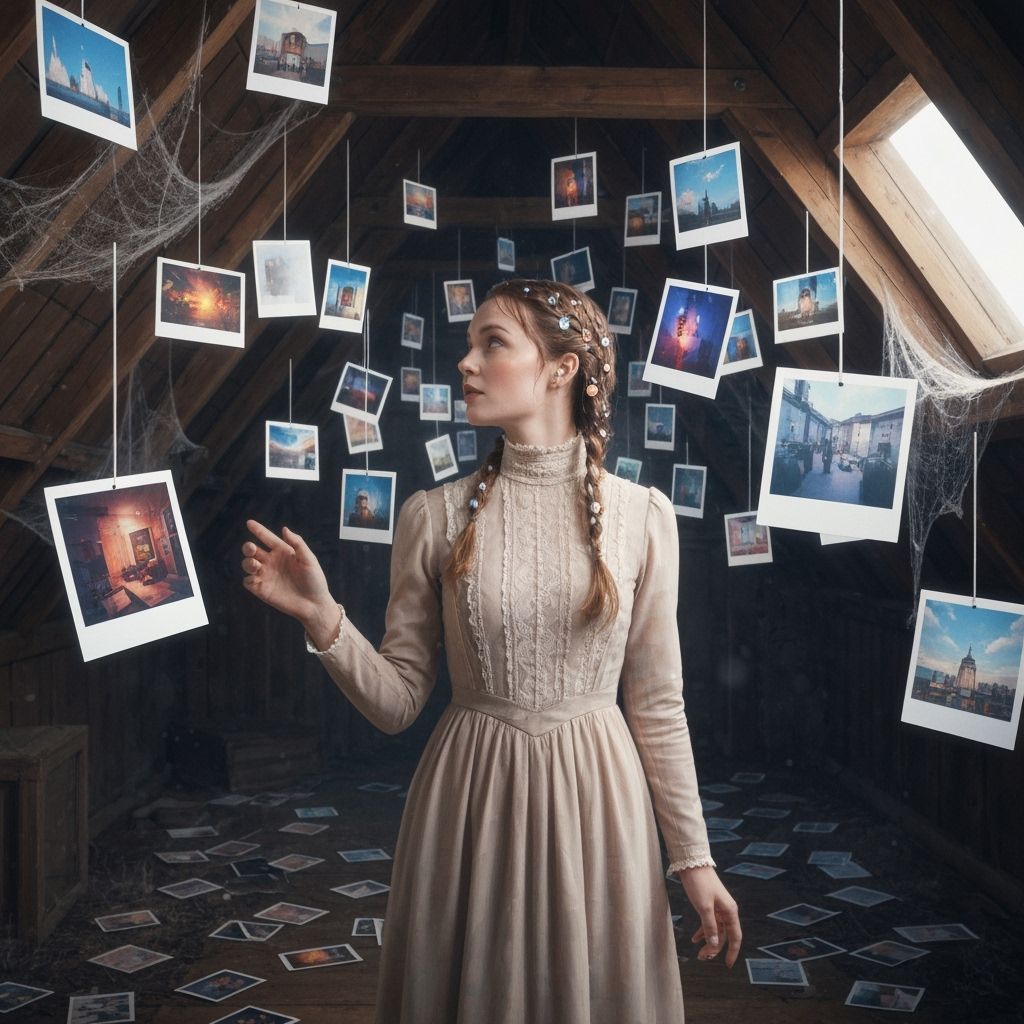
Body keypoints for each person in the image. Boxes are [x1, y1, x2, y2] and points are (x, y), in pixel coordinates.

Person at [240, 279, 741, 1023]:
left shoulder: (644, 518)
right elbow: (398, 703)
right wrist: (323, 619)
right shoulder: (431, 516)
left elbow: (658, 707)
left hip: (600, 805)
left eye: (492, 344)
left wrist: (693, 862)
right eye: (468, 345)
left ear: (561, 368)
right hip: (467, 803)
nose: (466, 364)